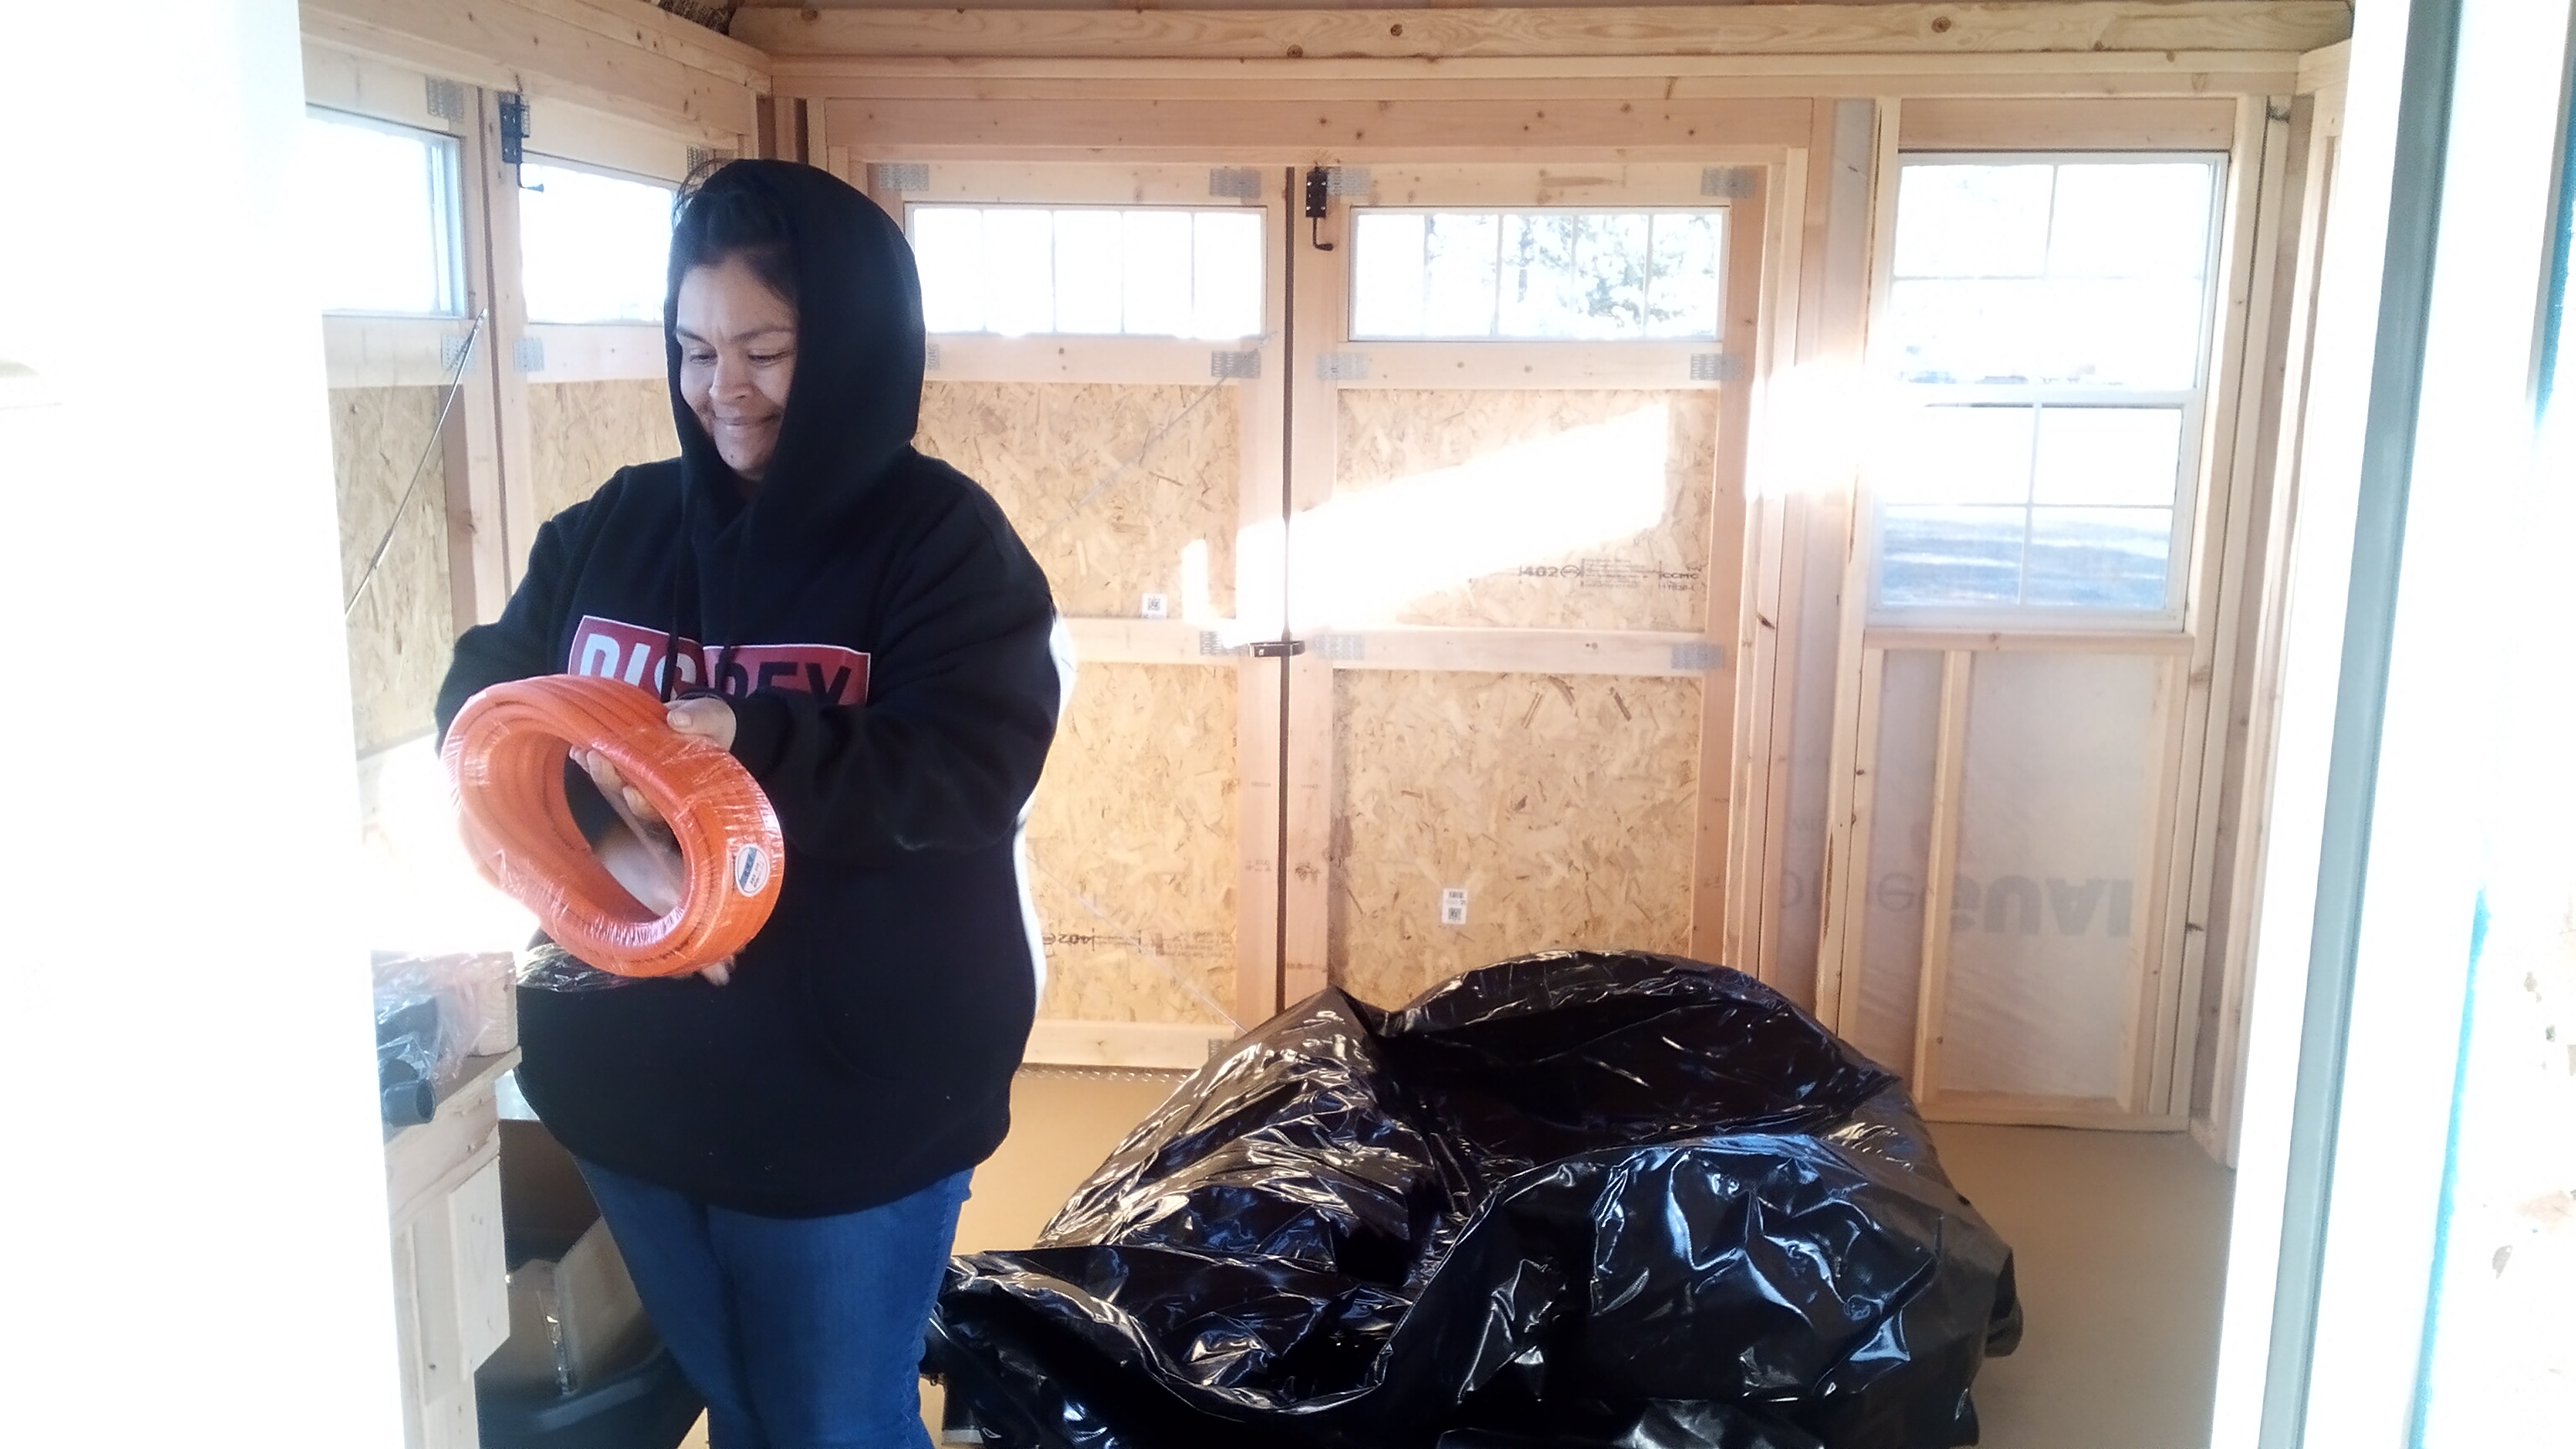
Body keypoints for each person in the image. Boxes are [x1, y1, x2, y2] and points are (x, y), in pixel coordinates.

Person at [434, 159, 1065, 1449]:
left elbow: (967, 766)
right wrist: (616, 822)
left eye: (766, 349)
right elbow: (484, 698)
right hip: (631, 1097)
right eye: (695, 346)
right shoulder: (619, 523)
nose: (724, 389)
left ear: (851, 345)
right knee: (745, 1416)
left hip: (853, 1104)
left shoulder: (941, 541)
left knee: (834, 1426)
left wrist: (743, 760)